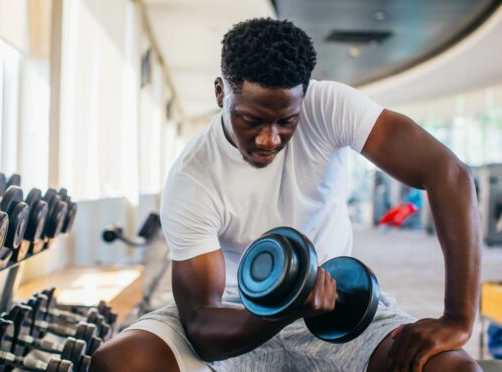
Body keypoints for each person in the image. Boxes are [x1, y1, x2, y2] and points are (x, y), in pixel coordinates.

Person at [92, 18, 482, 372]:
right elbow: (201, 326)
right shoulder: (192, 177)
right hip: (232, 316)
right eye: (251, 119)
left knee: (454, 369)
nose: (269, 139)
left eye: (286, 121)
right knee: (123, 362)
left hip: (336, 305)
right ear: (219, 93)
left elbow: (449, 174)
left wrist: (458, 319)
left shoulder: (331, 106)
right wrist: (285, 307)